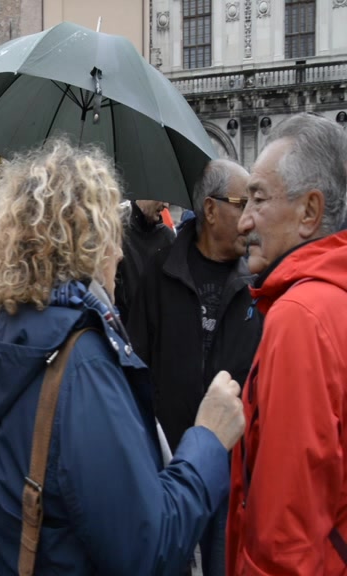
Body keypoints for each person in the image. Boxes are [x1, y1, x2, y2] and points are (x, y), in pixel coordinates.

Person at [0, 139, 245, 574]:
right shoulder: (83, 362)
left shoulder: (9, 332)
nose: (118, 253)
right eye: (111, 237)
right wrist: (207, 439)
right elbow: (147, 545)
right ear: (88, 244)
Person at [128, 159, 262, 576]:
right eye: (243, 203)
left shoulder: (259, 283)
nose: (251, 218)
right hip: (169, 468)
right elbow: (136, 367)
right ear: (209, 209)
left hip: (231, 470)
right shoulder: (160, 270)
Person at [227, 113, 347, 574]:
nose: (244, 223)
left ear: (310, 213)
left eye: (258, 198)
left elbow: (284, 537)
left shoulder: (300, 318)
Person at [114, 198, 174, 325]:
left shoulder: (169, 239)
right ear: (145, 194)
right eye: (162, 197)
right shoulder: (116, 234)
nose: (166, 205)